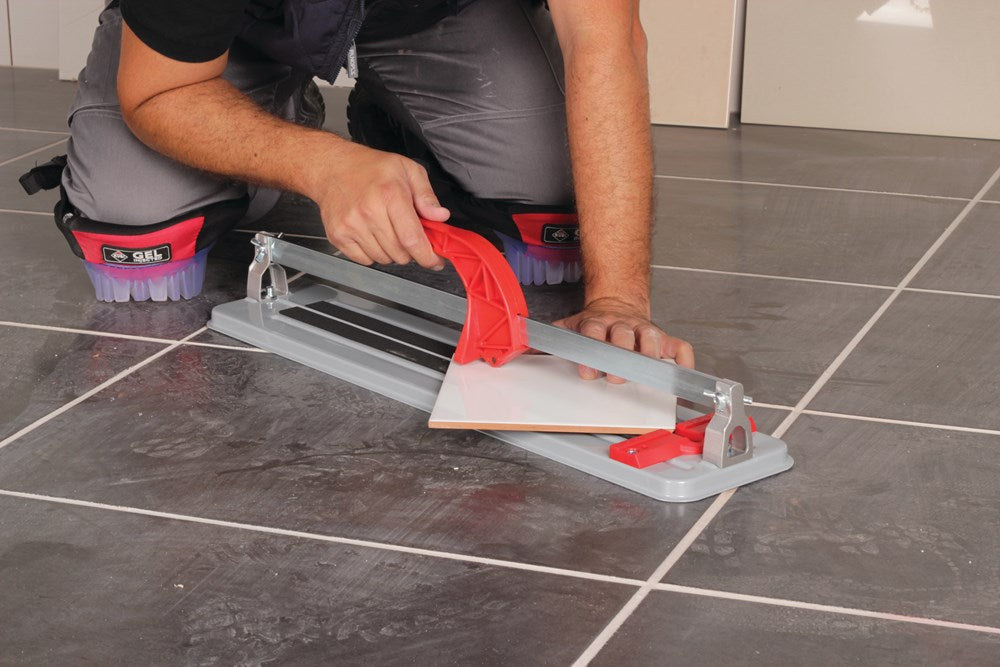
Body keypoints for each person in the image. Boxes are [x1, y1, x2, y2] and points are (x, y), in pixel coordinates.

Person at [23, 0, 694, 379]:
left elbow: (604, 42)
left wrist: (618, 297)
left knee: (549, 205)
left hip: (435, 15)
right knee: (135, 219)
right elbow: (158, 91)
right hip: (232, 29)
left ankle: (399, 128)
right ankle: (277, 119)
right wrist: (318, 165)